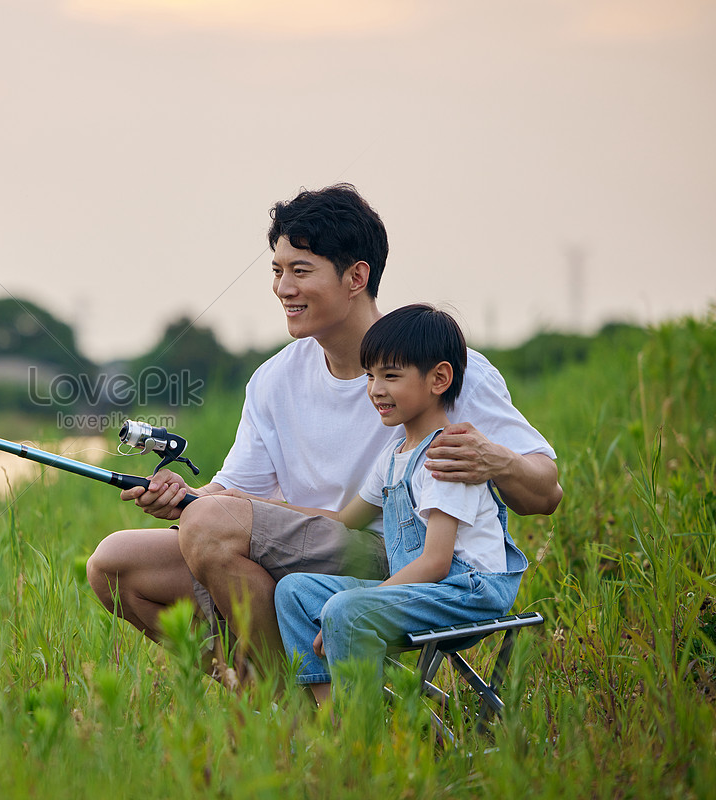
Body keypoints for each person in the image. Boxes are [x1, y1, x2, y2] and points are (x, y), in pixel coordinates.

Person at [85, 184, 560, 665]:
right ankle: (262, 691)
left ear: (356, 277)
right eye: (276, 270)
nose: (282, 288)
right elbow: (229, 495)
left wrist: (496, 459)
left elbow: (546, 493)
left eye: (300, 270)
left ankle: (290, 719)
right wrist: (180, 495)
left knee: (209, 523)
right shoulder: (273, 380)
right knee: (113, 564)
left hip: (405, 559)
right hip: (304, 547)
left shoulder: (447, 367)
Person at [273, 303, 527, 706]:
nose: (376, 389)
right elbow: (344, 519)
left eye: (391, 375)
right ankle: (331, 718)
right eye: (370, 375)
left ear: (439, 378)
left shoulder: (447, 454)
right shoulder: (394, 456)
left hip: (468, 590)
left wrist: (353, 606)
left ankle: (361, 738)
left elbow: (436, 562)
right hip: (429, 589)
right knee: (295, 591)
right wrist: (252, 503)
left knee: (344, 610)